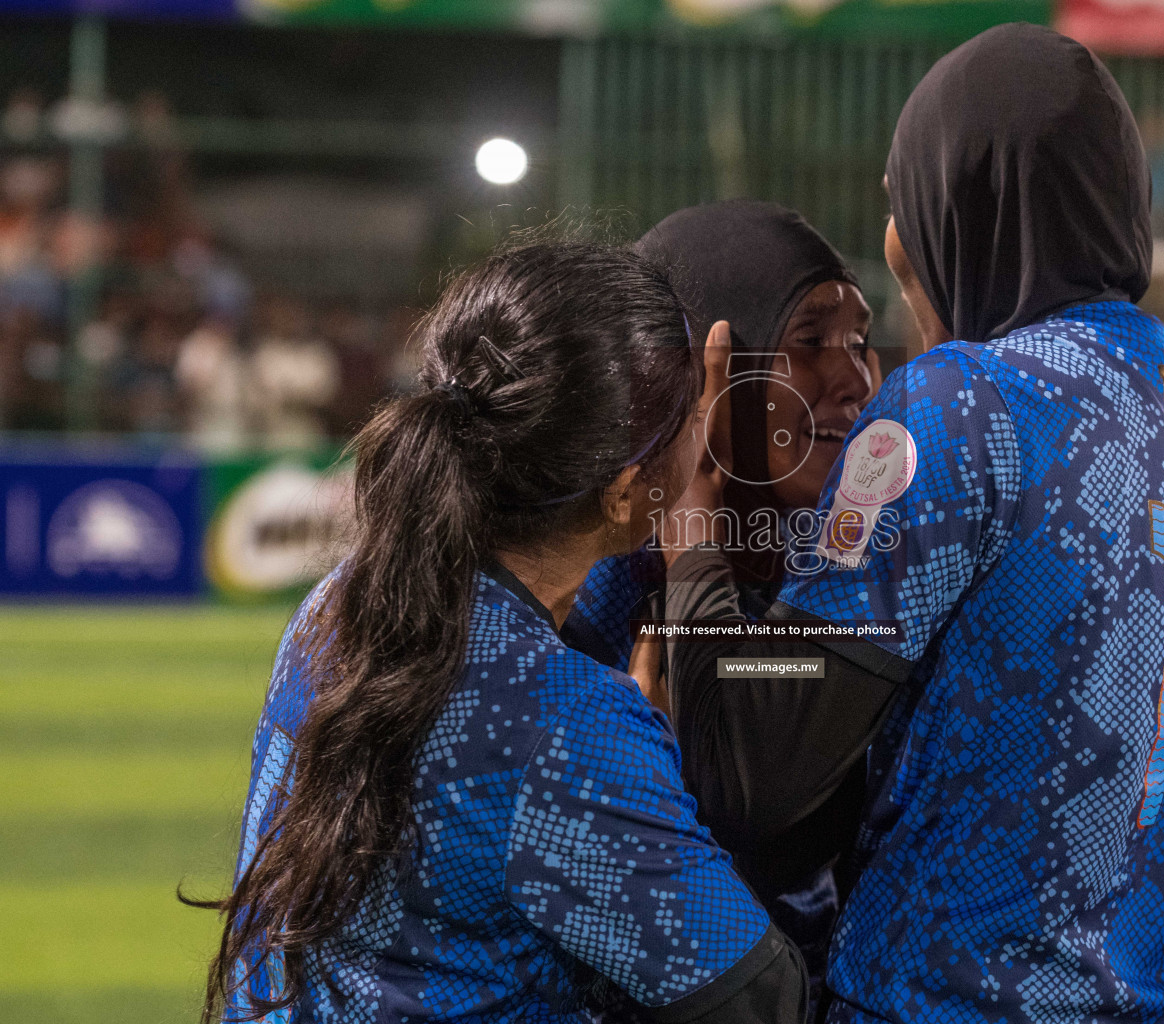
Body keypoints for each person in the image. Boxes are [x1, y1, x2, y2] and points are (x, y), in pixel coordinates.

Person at [664, 24, 1164, 1022]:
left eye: (906, 201)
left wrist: (691, 527)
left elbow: (754, 770)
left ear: (958, 203)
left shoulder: (960, 401)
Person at [193, 242, 807, 1024]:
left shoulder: (341, 603)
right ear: (624, 492)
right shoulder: (562, 719)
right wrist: (693, 546)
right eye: (694, 413)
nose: (706, 422)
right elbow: (760, 1000)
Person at [587, 200, 879, 997]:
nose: (855, 379)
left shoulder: (852, 580)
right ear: (698, 376)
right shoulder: (585, 603)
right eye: (810, 341)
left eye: (859, 340)